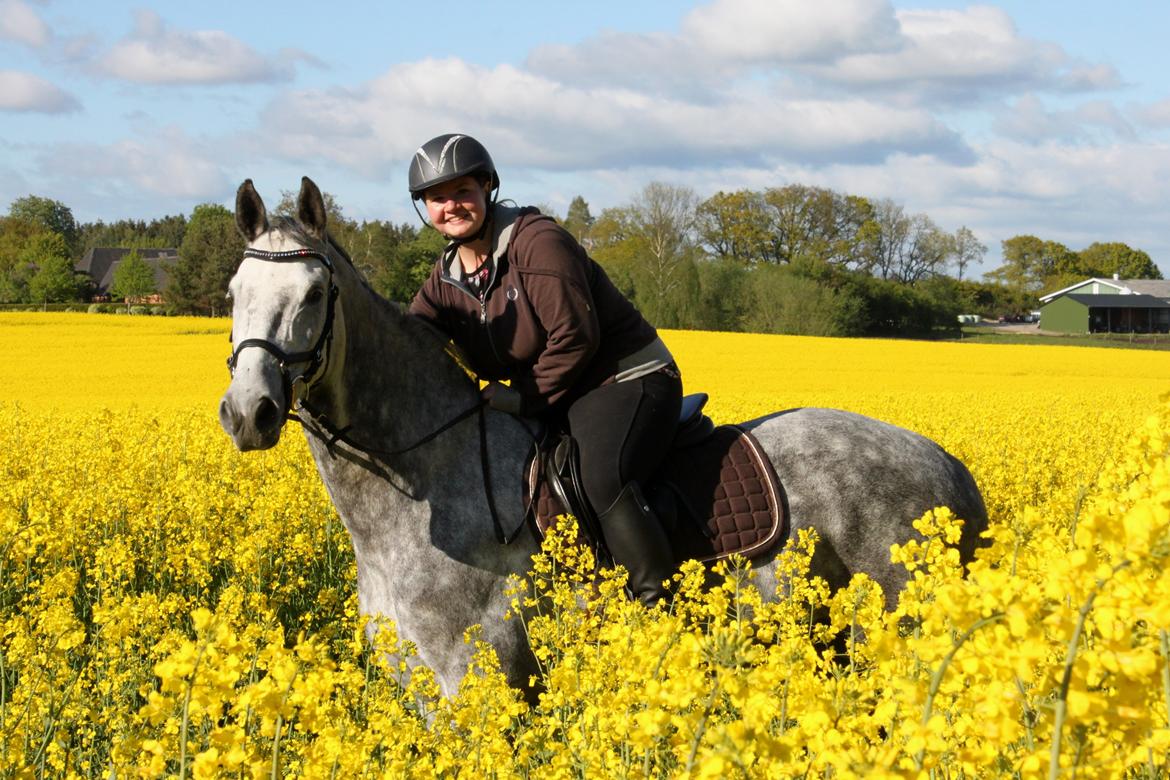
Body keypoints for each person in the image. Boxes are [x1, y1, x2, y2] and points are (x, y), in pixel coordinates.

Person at [406, 133, 682, 604]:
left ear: (488, 187)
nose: (450, 207)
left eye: (462, 193)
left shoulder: (538, 242)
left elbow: (575, 338)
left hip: (624, 378)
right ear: (424, 207)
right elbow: (411, 337)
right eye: (437, 198)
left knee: (599, 476)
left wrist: (523, 399)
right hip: (558, 394)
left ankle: (656, 604)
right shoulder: (447, 276)